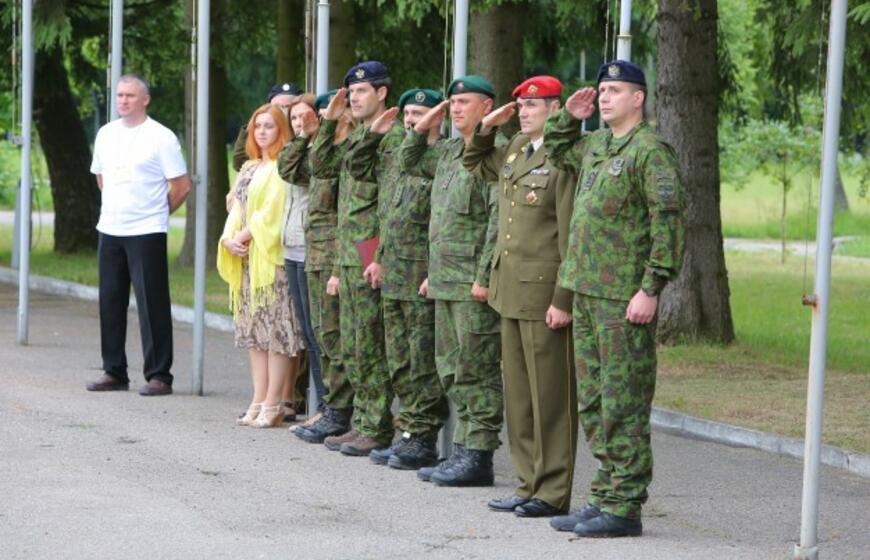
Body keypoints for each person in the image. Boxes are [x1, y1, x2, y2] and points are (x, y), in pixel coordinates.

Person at [544, 60, 686, 538]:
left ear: (638, 98)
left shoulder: (650, 151)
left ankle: (625, 505)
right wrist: (569, 116)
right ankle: (605, 493)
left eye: (615, 91)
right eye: (602, 90)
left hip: (622, 298)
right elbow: (558, 149)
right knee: (594, 402)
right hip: (587, 291)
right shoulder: (598, 145)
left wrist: (651, 287)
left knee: (622, 403)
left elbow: (668, 221)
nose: (604, 97)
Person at [463, 75, 578, 517]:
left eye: (534, 105)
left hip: (542, 293)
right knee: (520, 397)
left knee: (550, 397)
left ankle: (553, 490)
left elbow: (567, 232)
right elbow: (475, 161)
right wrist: (488, 126)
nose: (525, 112)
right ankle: (527, 482)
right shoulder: (515, 148)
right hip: (509, 290)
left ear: (555, 109)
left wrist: (563, 298)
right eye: (521, 106)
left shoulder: (562, 156)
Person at [400, 76, 503, 487]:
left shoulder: (493, 154)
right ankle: (462, 447)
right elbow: (409, 161)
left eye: (464, 102)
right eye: (452, 103)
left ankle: (478, 454)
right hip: (444, 279)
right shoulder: (447, 152)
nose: (456, 109)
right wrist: (427, 122)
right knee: (450, 369)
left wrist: (484, 276)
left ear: (487, 107)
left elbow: (497, 221)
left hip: (471, 283)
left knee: (476, 369)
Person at [352, 88, 450, 470]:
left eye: (420, 114)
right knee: (400, 361)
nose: (411, 120)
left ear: (437, 118)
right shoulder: (399, 156)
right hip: (393, 272)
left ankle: (422, 435)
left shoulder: (441, 158)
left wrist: (434, 272)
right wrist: (377, 258)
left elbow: (441, 223)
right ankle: (408, 429)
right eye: (408, 114)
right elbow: (385, 208)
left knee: (422, 359)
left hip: (420, 274)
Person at [309, 61, 395, 457]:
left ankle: (376, 424)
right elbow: (321, 167)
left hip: (370, 249)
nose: (354, 98)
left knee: (369, 343)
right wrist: (327, 124)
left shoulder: (391, 138)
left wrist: (378, 254)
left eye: (362, 91)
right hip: (348, 252)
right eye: (352, 92)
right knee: (352, 344)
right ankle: (363, 421)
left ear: (382, 93)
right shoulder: (359, 135)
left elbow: (388, 203)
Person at [86, 74, 190, 396]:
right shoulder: (106, 134)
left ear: (145, 99)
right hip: (110, 228)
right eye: (119, 95)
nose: (123, 100)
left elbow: (181, 186)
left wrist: (156, 212)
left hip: (146, 230)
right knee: (110, 300)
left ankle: (159, 375)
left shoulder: (161, 137)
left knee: (151, 302)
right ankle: (114, 370)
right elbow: (101, 178)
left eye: (130, 95)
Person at [218, 104, 305, 428]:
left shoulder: (283, 165)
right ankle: (257, 399)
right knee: (254, 334)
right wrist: (228, 238)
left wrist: (243, 235)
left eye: (269, 126)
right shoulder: (250, 167)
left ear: (282, 129)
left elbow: (272, 210)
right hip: (246, 260)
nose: (262, 132)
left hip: (270, 260)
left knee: (275, 333)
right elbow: (235, 206)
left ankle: (274, 402)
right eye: (258, 126)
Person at [278, 92, 357, 441]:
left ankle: (338, 410)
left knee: (335, 336)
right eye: (323, 115)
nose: (325, 121)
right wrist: (306, 136)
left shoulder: (348, 152)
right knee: (318, 335)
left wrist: (342, 266)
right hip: (315, 252)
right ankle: (329, 407)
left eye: (330, 116)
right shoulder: (321, 153)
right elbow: (287, 169)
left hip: (338, 254)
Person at [232, 82, 304, 172]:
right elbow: (239, 163)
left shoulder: (304, 131)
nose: (283, 111)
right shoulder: (261, 131)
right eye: (277, 107)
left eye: (288, 107)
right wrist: (253, 126)